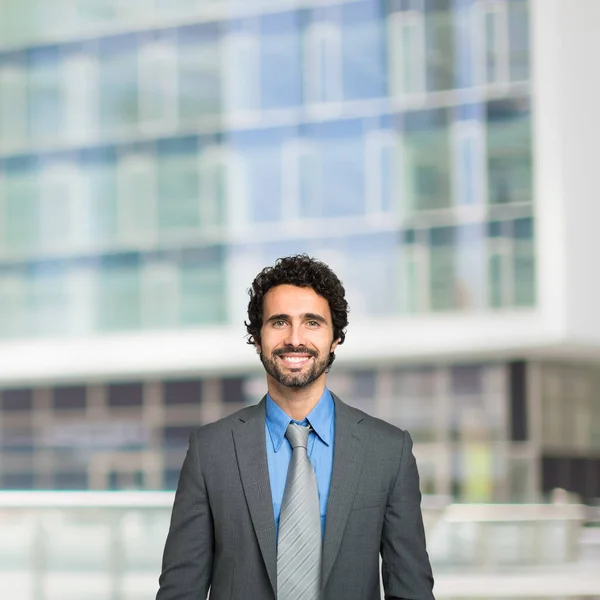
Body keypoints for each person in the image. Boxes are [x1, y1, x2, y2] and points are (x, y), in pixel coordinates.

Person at [156, 255, 435, 600]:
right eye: (279, 322)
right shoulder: (210, 450)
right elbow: (180, 591)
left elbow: (411, 590)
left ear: (335, 339)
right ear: (257, 339)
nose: (295, 338)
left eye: (312, 323)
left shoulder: (388, 451)